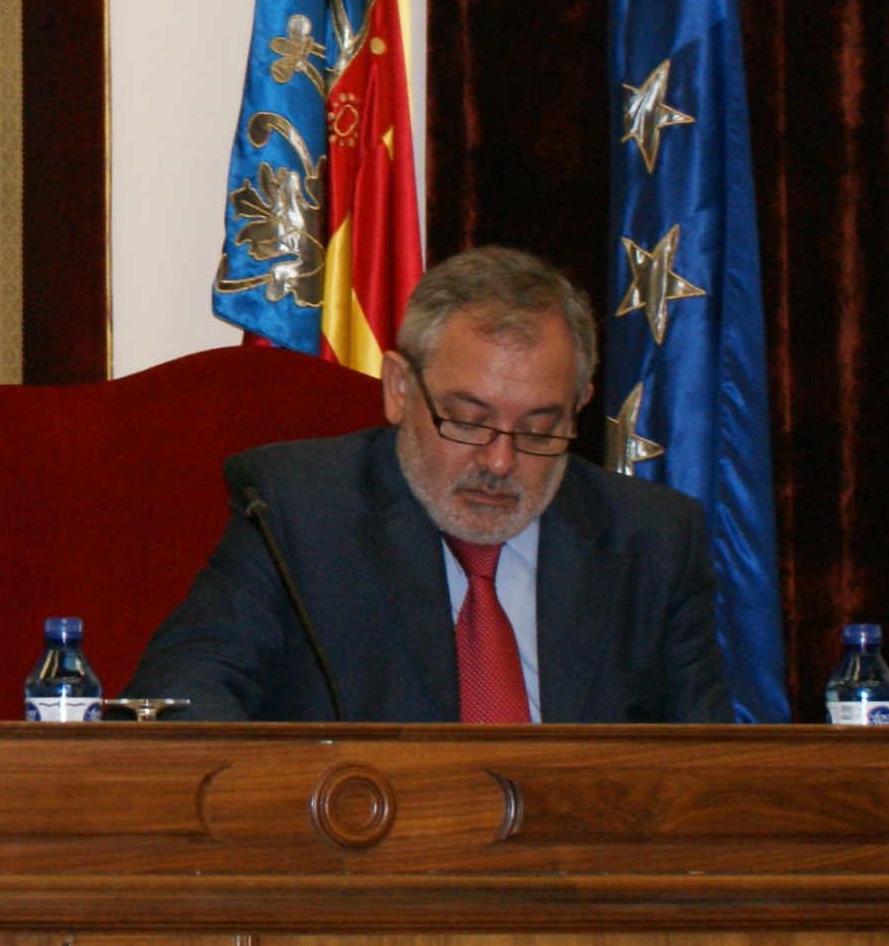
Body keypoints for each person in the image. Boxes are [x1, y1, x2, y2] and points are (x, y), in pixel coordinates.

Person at [124, 245, 731, 723]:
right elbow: (180, 699)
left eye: (538, 429)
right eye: (467, 421)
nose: (499, 461)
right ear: (398, 389)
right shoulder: (296, 511)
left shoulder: (653, 540)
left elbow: (707, 769)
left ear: (578, 408)